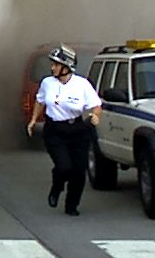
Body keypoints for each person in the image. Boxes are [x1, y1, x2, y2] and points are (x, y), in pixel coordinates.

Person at [27, 44, 101, 216]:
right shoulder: (47, 83)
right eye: (52, 64)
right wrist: (32, 120)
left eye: (56, 64)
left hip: (77, 129)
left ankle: (72, 205)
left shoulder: (82, 84)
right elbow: (40, 101)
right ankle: (56, 188)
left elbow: (96, 105)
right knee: (64, 167)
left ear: (66, 66)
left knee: (79, 171)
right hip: (55, 130)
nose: (52, 67)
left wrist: (95, 116)